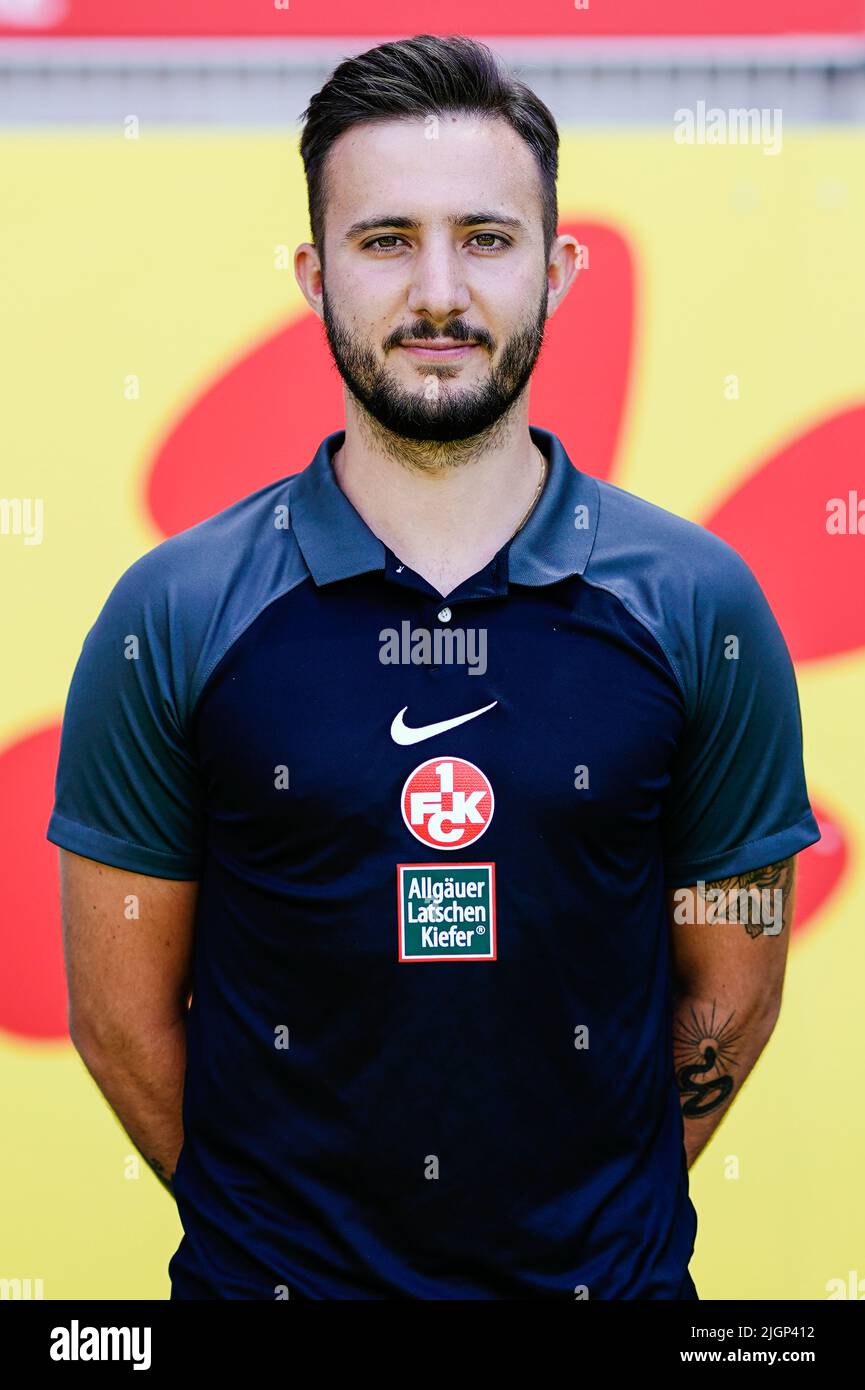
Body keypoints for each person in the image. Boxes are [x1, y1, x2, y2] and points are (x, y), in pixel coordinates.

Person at [47, 33, 821, 1300]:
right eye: (386, 239)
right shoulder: (175, 612)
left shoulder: (699, 605)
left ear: (560, 269)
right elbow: (121, 1021)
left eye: (487, 237)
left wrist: (582, 1236)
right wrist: (292, 1255)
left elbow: (729, 993)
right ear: (314, 274)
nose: (440, 292)